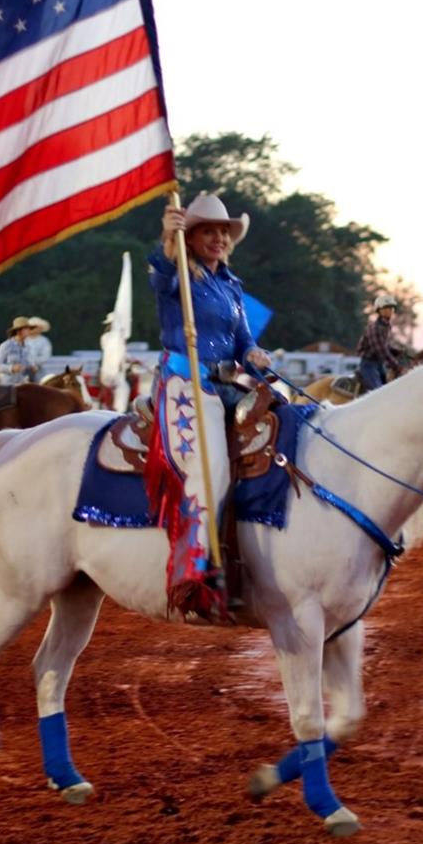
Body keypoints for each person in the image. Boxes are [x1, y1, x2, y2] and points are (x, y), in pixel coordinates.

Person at [148, 193, 272, 619]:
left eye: (223, 231)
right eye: (207, 231)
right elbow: (162, 273)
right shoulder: (177, 273)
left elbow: (242, 338)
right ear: (192, 236)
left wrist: (254, 352)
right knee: (210, 466)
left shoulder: (232, 285)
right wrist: (169, 238)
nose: (218, 238)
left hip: (226, 382)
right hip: (185, 382)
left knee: (283, 428)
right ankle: (196, 569)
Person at [355, 292, 404, 393]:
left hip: (379, 364)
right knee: (379, 393)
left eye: (391, 308)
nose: (389, 311)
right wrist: (396, 365)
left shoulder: (386, 326)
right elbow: (380, 350)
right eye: (386, 308)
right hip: (369, 365)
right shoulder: (375, 328)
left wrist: (395, 351)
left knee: (389, 390)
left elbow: (383, 345)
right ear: (379, 310)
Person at [0, 317, 40, 383]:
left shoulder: (28, 347)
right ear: (18, 331)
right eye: (26, 329)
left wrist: (32, 368)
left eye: (29, 329)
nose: (29, 331)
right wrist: (11, 368)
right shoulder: (6, 345)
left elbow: (27, 367)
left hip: (22, 385)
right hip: (8, 385)